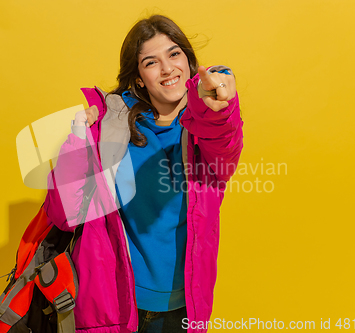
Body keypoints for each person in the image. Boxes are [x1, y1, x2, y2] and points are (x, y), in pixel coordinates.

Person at [44, 14, 243, 333]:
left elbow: (225, 147)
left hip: (184, 305)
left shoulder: (205, 131)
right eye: (151, 62)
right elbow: (63, 214)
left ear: (189, 63)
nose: (167, 69)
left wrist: (221, 111)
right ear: (138, 78)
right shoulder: (108, 125)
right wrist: (78, 139)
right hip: (114, 304)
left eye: (174, 54)